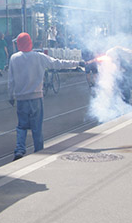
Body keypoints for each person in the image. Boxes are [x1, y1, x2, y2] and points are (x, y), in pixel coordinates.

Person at [8, 32, 81, 161]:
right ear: (30, 43)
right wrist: (77, 63)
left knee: (21, 126)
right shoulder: (39, 57)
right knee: (37, 127)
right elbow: (57, 63)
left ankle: (19, 150)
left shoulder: (14, 58)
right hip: (36, 97)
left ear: (19, 44)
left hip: (21, 99)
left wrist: (10, 96)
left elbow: (11, 80)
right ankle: (38, 151)